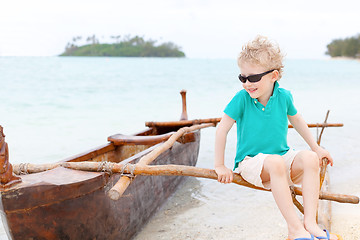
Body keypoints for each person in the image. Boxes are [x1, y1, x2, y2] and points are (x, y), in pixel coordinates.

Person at [214, 36, 341, 240]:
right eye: (242, 78)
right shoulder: (241, 99)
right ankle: (294, 229)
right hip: (251, 163)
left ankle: (309, 223)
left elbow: (298, 121)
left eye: (253, 78)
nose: (247, 84)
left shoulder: (284, 97)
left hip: (281, 160)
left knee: (309, 158)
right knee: (274, 162)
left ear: (274, 75)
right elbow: (221, 130)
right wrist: (220, 165)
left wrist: (316, 148)